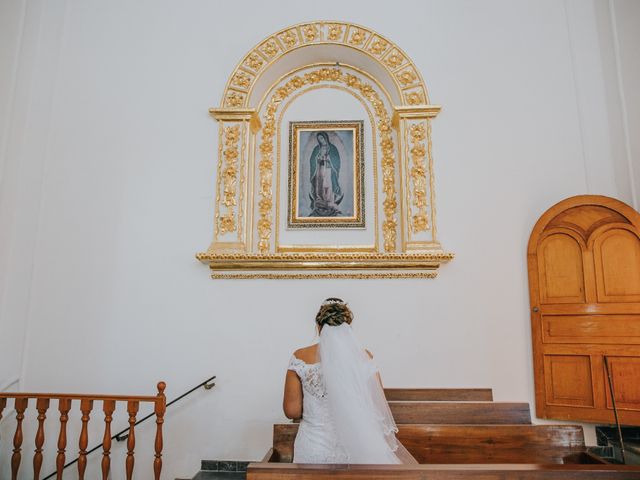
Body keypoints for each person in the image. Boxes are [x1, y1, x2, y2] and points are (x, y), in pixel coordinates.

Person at [282, 298, 417, 464]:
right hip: (356, 448)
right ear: (348, 328)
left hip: (313, 447)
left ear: (318, 327)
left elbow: (292, 411)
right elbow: (376, 404)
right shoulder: (364, 357)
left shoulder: (300, 357)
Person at [309, 132, 343, 216]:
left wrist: (328, 159)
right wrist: (318, 158)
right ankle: (319, 201)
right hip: (319, 169)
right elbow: (312, 159)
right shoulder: (317, 148)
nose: (321, 140)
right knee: (319, 185)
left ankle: (329, 201)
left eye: (322, 138)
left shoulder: (332, 148)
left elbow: (336, 160)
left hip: (329, 170)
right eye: (319, 139)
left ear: (326, 138)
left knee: (328, 185)